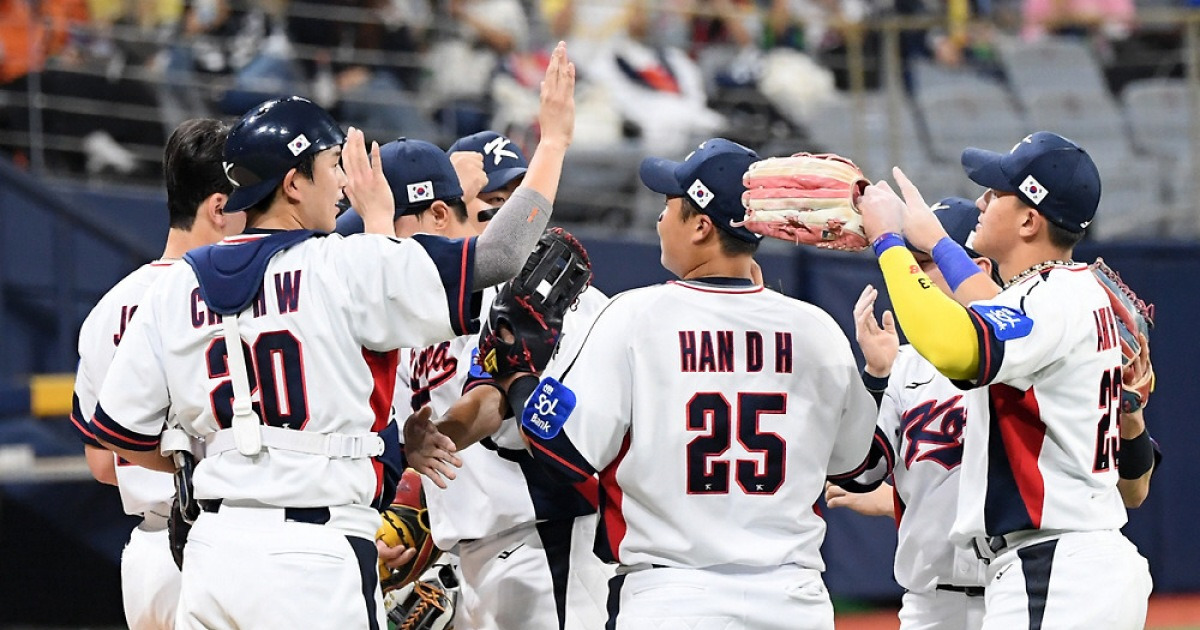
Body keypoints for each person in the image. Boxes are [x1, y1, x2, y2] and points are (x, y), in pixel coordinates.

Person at [87, 42, 576, 630]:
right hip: (312, 556)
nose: (340, 182)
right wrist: (552, 145)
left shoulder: (171, 288)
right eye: (329, 166)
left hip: (212, 555)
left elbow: (121, 437)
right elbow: (500, 254)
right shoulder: (340, 266)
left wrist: (230, 461)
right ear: (293, 183)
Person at [473, 138, 878, 628]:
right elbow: (864, 468)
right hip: (793, 597)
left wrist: (518, 378)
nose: (660, 219)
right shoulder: (817, 328)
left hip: (673, 595)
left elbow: (566, 451)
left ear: (702, 226)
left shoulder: (636, 315)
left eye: (670, 206)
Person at [856, 131, 1154, 629]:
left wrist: (889, 243)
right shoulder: (1066, 291)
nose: (981, 200)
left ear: (1029, 219)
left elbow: (958, 347)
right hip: (1073, 559)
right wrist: (934, 243)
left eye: (996, 194)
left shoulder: (1053, 298)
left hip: (1054, 568)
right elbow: (989, 306)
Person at [354, 134, 612, 630]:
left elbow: (513, 410)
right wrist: (416, 526)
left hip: (546, 544)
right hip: (473, 559)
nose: (505, 217)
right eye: (491, 202)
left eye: (513, 202)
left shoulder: (548, 301)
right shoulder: (413, 311)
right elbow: (431, 448)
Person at [69, 118, 244, 630]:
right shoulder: (238, 300)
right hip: (228, 541)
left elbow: (102, 463)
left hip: (148, 556)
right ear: (219, 207)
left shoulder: (106, 309)